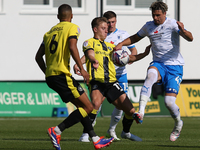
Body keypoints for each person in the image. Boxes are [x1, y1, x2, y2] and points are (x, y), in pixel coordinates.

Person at [35, 4, 114, 150]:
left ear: (58, 17)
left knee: (81, 107)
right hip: (62, 75)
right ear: (71, 16)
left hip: (51, 76)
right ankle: (57, 130)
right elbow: (72, 46)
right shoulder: (73, 27)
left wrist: (47, 72)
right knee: (89, 107)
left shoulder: (48, 33)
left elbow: (38, 57)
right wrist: (83, 69)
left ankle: (95, 139)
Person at [114, 1, 193, 142]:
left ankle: (178, 123)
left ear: (164, 14)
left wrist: (183, 30)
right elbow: (135, 37)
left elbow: (190, 38)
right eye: (153, 15)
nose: (155, 18)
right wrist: (121, 44)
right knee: (150, 76)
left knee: (169, 102)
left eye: (158, 15)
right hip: (158, 64)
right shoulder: (148, 26)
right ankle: (141, 112)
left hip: (174, 67)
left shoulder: (173, 24)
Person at [76, 16, 151, 144]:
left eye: (107, 28)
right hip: (97, 81)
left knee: (130, 111)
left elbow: (129, 58)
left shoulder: (111, 47)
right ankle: (85, 134)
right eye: (103, 28)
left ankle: (125, 132)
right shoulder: (89, 42)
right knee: (95, 105)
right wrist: (89, 61)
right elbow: (90, 54)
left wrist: (144, 54)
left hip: (112, 82)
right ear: (95, 29)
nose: (107, 30)